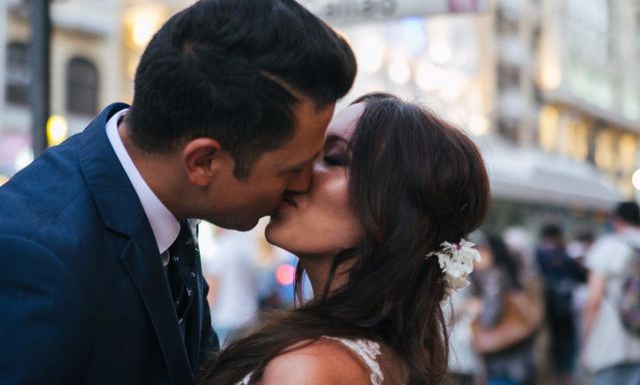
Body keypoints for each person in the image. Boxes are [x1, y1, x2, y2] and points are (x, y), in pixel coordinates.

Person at [0, 0, 356, 384]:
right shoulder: (39, 260)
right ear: (203, 161)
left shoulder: (166, 201)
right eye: (291, 169)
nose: (304, 184)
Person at [197, 92, 491, 384]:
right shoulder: (389, 355)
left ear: (396, 214)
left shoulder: (310, 368)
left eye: (334, 158)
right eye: (308, 151)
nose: (299, 170)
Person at [582, 201, 640, 385]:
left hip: (610, 341)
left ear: (616, 221)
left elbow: (594, 300)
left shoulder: (608, 247)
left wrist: (587, 342)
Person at [470, 233, 538, 385]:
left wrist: (477, 308)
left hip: (502, 361)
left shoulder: (494, 278)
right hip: (518, 360)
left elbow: (490, 318)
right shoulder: (509, 274)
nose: (475, 255)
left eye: (481, 250)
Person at [535, 223, 586, 385]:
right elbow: (582, 277)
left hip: (545, 311)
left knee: (548, 349)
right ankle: (566, 379)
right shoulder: (567, 256)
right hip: (566, 311)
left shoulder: (538, 255)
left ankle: (551, 379)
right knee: (567, 349)